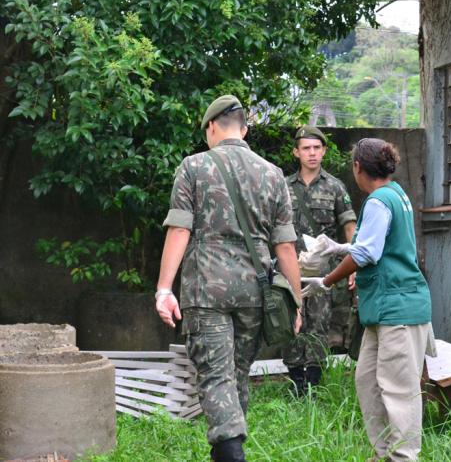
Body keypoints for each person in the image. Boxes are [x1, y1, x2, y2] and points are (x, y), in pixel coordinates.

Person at [154, 95, 302, 462]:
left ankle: (231, 453)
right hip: (256, 292)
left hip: (206, 292)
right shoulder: (273, 174)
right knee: (235, 378)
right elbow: (285, 247)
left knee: (217, 377)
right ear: (245, 129)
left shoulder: (193, 167)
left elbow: (178, 231)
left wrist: (163, 289)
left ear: (211, 127)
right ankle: (225, 452)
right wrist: (296, 302)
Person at [302, 138, 432, 461]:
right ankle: (383, 453)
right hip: (384, 309)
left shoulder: (378, 201)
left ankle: (403, 457)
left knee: (399, 390)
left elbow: (367, 252)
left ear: (358, 168)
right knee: (367, 380)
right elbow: (371, 249)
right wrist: (332, 263)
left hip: (398, 308)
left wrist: (330, 264)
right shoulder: (396, 194)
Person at [283, 125, 357, 395]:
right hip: (290, 264)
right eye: (306, 148)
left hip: (324, 269)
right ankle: (295, 383)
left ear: (324, 151)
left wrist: (353, 264)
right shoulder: (283, 187)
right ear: (296, 152)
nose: (312, 153)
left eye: (316, 148)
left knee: (319, 323)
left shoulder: (336, 187)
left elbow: (349, 225)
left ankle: (312, 385)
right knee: (290, 320)